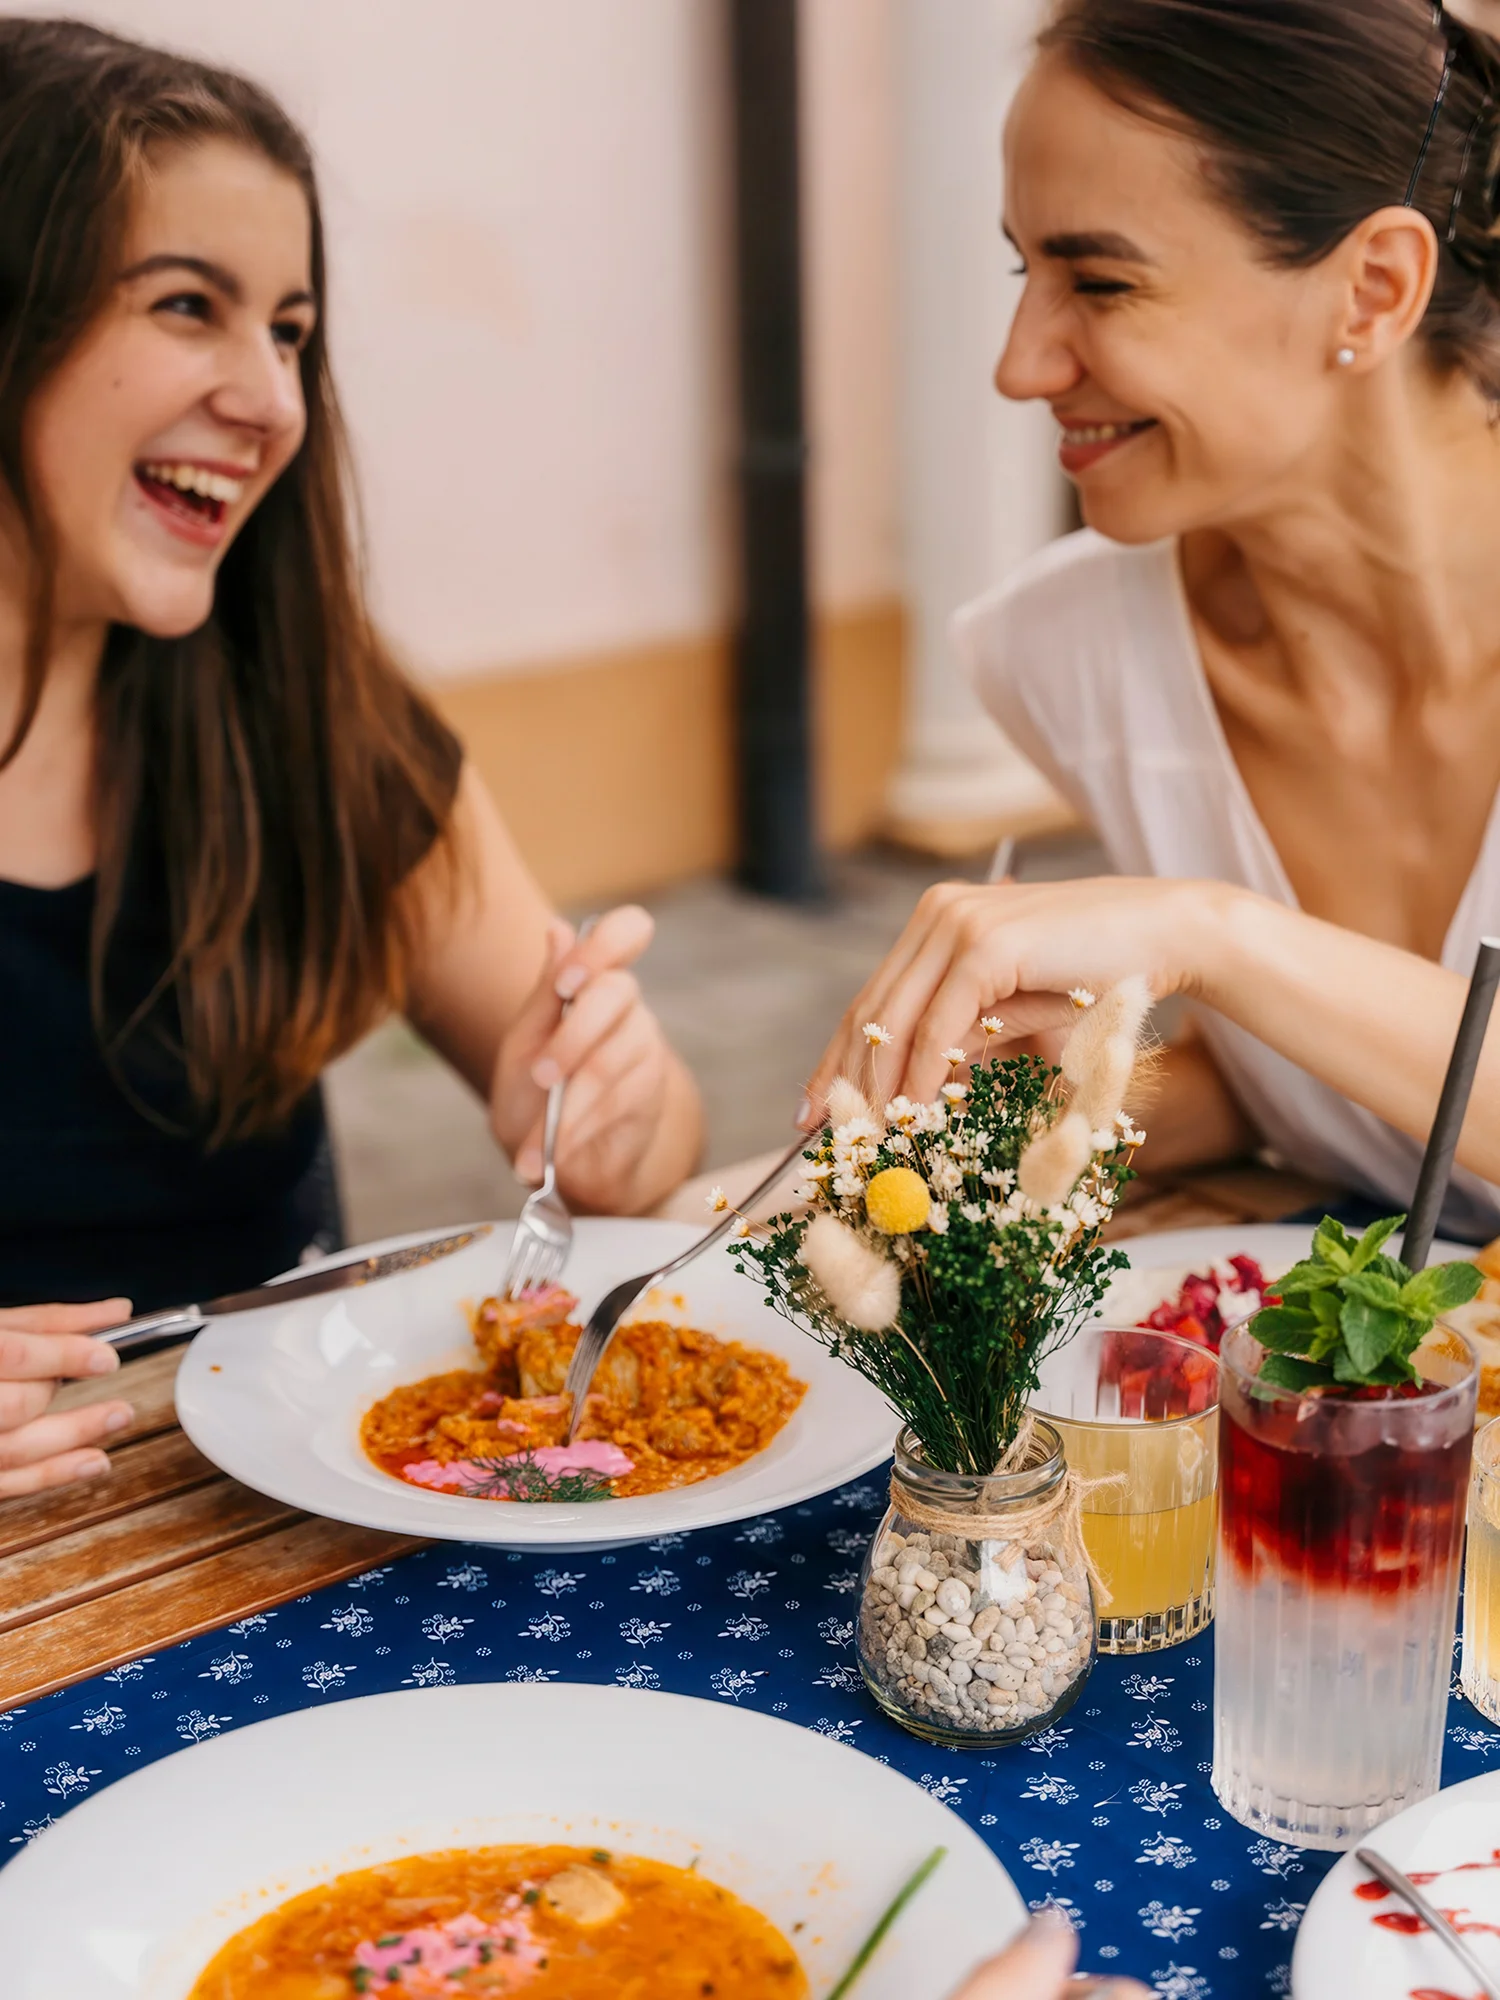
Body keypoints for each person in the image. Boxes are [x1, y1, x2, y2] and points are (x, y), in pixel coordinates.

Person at [0, 21, 701, 1497]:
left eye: (292, 332)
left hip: (259, 1556)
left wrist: (613, 1110)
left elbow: (636, 1158)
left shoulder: (313, 719)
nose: (271, 403)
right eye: (188, 305)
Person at [808, 0, 1500, 1243]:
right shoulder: (1070, 651)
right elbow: (1315, 1082)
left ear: (1374, 288)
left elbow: (1260, 974)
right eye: (1028, 272)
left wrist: (1210, 934)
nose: (1020, 366)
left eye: (1103, 281)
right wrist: (1026, 1107)